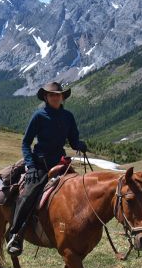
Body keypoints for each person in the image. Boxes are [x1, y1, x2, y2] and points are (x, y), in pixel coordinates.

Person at [6, 82, 87, 256]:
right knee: (28, 194)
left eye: (58, 95)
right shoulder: (39, 116)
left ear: (62, 97)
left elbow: (73, 141)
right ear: (46, 97)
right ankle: (15, 234)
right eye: (52, 95)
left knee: (80, 190)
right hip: (40, 164)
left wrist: (80, 144)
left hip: (60, 163)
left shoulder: (68, 117)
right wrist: (30, 164)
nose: (55, 97)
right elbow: (26, 143)